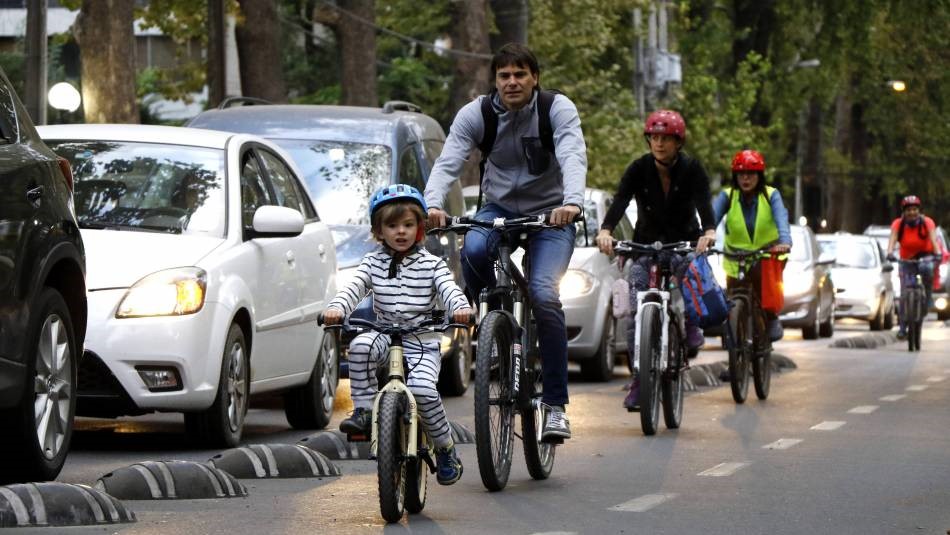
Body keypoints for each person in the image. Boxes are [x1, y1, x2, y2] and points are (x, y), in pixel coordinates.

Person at [425, 42, 587, 442]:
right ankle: (493, 322)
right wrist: (430, 204)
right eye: (504, 76)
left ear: (534, 79)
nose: (512, 82)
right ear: (495, 80)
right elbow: (449, 161)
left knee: (544, 294)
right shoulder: (476, 114)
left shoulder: (556, 109)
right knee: (475, 249)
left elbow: (572, 154)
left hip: (551, 214)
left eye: (520, 74)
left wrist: (572, 203)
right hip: (497, 208)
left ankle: (554, 406)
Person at [324, 184, 474, 486]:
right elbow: (353, 288)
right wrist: (337, 309)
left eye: (408, 224)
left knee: (423, 391)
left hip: (421, 340)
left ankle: (445, 448)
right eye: (392, 225)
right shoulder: (372, 262)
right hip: (383, 333)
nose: (401, 232)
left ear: (420, 228)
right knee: (361, 345)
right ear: (379, 230)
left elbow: (449, 290)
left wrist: (460, 308)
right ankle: (365, 410)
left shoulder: (432, 265)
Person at [595, 109, 716, 412]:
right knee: (636, 306)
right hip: (645, 244)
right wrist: (606, 230)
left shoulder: (692, 169)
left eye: (666, 138)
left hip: (681, 242)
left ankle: (690, 324)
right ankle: (640, 379)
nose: (659, 144)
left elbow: (704, 204)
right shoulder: (638, 168)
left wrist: (709, 232)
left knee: (691, 270)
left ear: (679, 142)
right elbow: (620, 200)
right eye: (654, 137)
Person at [712, 149, 792, 342]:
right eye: (741, 174)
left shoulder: (771, 195)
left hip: (765, 255)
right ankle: (734, 362)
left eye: (751, 174)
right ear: (735, 176)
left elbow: (781, 220)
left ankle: (771, 318)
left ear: (759, 176)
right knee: (731, 302)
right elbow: (710, 220)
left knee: (762, 283)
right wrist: (703, 236)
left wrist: (784, 241)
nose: (746, 179)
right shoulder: (727, 196)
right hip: (735, 258)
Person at [886, 195, 940, 338]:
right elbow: (892, 239)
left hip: (925, 256)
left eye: (915, 209)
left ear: (919, 210)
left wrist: (937, 253)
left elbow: (933, 239)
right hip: (907, 259)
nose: (912, 212)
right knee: (904, 293)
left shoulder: (927, 222)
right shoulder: (898, 224)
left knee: (926, 269)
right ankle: (903, 328)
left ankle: (928, 297)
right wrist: (890, 253)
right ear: (904, 212)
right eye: (909, 210)